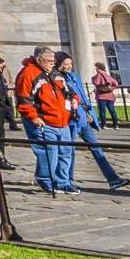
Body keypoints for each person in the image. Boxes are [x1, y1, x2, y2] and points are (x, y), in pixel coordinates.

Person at [58, 53, 130, 190]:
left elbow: (82, 96)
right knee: (69, 151)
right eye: (65, 64)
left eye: (70, 63)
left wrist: (90, 113)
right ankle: (66, 181)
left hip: (84, 117)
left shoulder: (74, 76)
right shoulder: (58, 78)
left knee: (96, 148)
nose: (68, 66)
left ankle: (113, 179)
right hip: (71, 119)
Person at [17, 55, 79, 195]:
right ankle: (46, 180)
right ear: (39, 59)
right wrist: (33, 117)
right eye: (49, 61)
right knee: (49, 152)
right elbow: (23, 99)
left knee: (65, 153)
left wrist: (75, 99)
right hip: (45, 121)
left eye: (53, 61)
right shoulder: (28, 73)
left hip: (63, 121)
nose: (53, 63)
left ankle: (63, 183)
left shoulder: (55, 73)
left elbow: (69, 91)